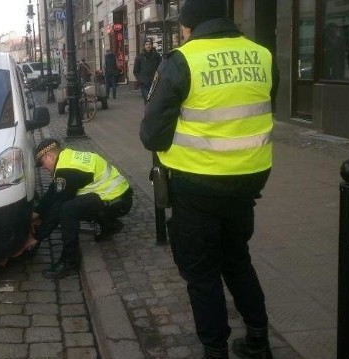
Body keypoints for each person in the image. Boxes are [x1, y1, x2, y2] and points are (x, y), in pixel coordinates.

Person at [139, 0, 279, 358]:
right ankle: (259, 340)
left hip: (195, 185)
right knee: (237, 259)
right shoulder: (262, 55)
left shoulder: (182, 60)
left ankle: (215, 350)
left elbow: (152, 135)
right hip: (247, 181)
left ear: (188, 26)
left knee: (202, 274)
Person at [27, 138, 132, 279]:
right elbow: (53, 191)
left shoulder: (66, 170)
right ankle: (108, 225)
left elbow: (58, 207)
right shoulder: (67, 157)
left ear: (49, 156)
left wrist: (36, 236)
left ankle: (69, 261)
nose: (44, 168)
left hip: (115, 201)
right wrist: (37, 211)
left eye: (43, 163)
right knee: (75, 203)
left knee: (68, 210)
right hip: (120, 196)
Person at [133, 37, 162, 103]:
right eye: (146, 44)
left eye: (149, 44)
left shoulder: (157, 56)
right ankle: (149, 112)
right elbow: (135, 71)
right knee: (147, 101)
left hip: (154, 83)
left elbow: (161, 68)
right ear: (144, 46)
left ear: (152, 45)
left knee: (155, 101)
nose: (148, 46)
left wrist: (158, 78)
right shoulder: (139, 57)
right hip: (144, 84)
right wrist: (141, 80)